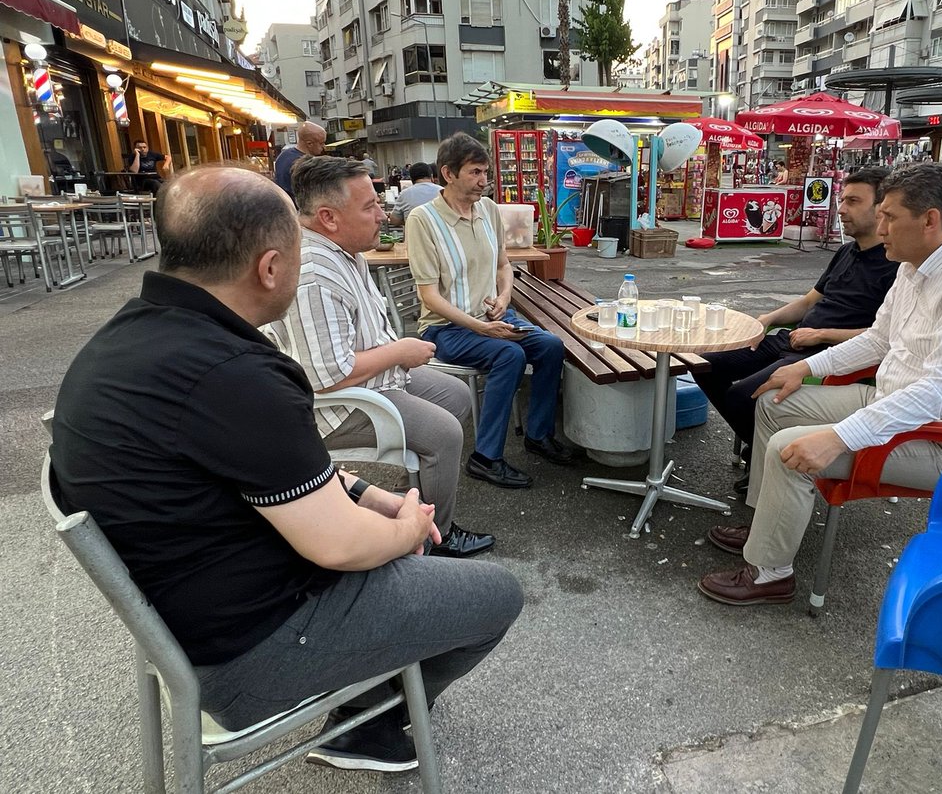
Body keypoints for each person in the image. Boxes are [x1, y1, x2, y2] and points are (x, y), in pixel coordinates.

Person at [50, 165, 522, 773]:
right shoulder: (235, 374)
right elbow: (341, 546)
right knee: (497, 595)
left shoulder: (127, 339)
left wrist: (359, 492)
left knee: (399, 545)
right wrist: (406, 526)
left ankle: (380, 693)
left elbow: (257, 468)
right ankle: (364, 732)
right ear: (270, 268)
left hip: (191, 611)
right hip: (249, 651)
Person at [698, 162, 942, 606]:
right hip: (898, 403)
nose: (881, 225)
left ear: (930, 220)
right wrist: (806, 367)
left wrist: (837, 436)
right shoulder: (915, 267)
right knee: (775, 401)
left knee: (787, 445)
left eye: (890, 216)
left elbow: (940, 393)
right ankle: (766, 525)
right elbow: (879, 339)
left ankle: (769, 573)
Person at [268, 155, 493, 559]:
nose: (383, 216)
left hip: (374, 380)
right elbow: (327, 378)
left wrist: (396, 356)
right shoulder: (313, 273)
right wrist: (401, 351)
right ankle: (432, 537)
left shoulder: (344, 250)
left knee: (457, 396)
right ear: (328, 217)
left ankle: (413, 507)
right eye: (370, 206)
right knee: (444, 432)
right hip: (336, 407)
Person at [694, 167, 898, 493]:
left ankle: (769, 457)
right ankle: (759, 444)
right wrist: (767, 318)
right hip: (790, 341)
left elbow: (882, 336)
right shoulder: (846, 252)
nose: (841, 209)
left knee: (742, 395)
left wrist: (823, 335)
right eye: (842, 200)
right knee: (705, 363)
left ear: (881, 208)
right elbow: (808, 302)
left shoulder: (895, 264)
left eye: (853, 201)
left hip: (827, 356)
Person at [406, 132, 574, 489]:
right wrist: (480, 328)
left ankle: (538, 435)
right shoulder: (423, 220)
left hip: (492, 317)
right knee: (509, 355)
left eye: (485, 172)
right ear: (448, 173)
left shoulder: (488, 210)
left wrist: (504, 297)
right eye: (475, 172)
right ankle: (486, 458)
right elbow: (429, 296)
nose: (484, 181)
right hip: (446, 327)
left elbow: (503, 265)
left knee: (551, 346)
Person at [274, 121, 327, 203]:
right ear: (309, 143)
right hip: (298, 209)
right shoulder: (307, 164)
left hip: (282, 204)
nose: (324, 147)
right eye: (321, 143)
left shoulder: (283, 155)